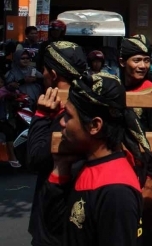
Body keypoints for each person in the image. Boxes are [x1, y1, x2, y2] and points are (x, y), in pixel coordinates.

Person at [41, 72, 150, 245]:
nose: (62, 122)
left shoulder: (116, 192)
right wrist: (60, 167)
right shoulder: (82, 164)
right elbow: (55, 229)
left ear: (94, 125)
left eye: (68, 116)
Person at [27, 41, 88, 246]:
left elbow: (35, 158)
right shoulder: (89, 105)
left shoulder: (65, 114)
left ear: (52, 74)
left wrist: (41, 115)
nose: (42, 74)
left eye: (44, 70)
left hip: (57, 213)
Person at [119, 34, 152, 246]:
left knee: (148, 223)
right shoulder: (116, 88)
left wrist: (151, 183)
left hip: (146, 171)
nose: (142, 65)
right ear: (122, 62)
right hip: (120, 169)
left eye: (146, 60)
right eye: (136, 60)